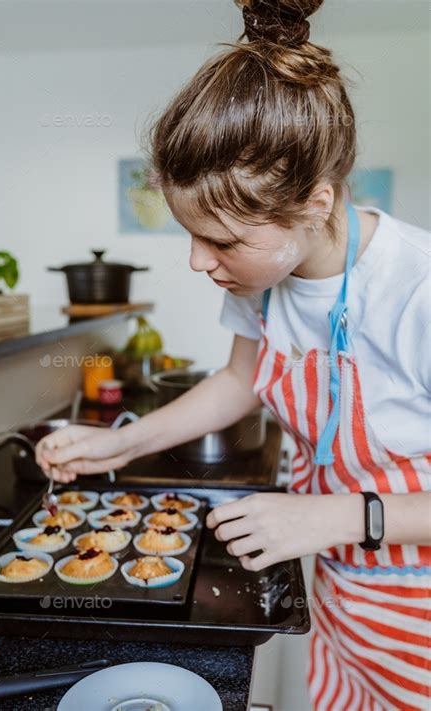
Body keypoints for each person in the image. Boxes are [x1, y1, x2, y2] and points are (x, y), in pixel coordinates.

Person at [36, 1, 430, 708]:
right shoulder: (267, 281)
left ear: (316, 203)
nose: (197, 261)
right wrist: (117, 444)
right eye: (191, 234)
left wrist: (339, 516)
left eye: (222, 241)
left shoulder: (418, 290)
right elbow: (240, 379)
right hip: (344, 598)